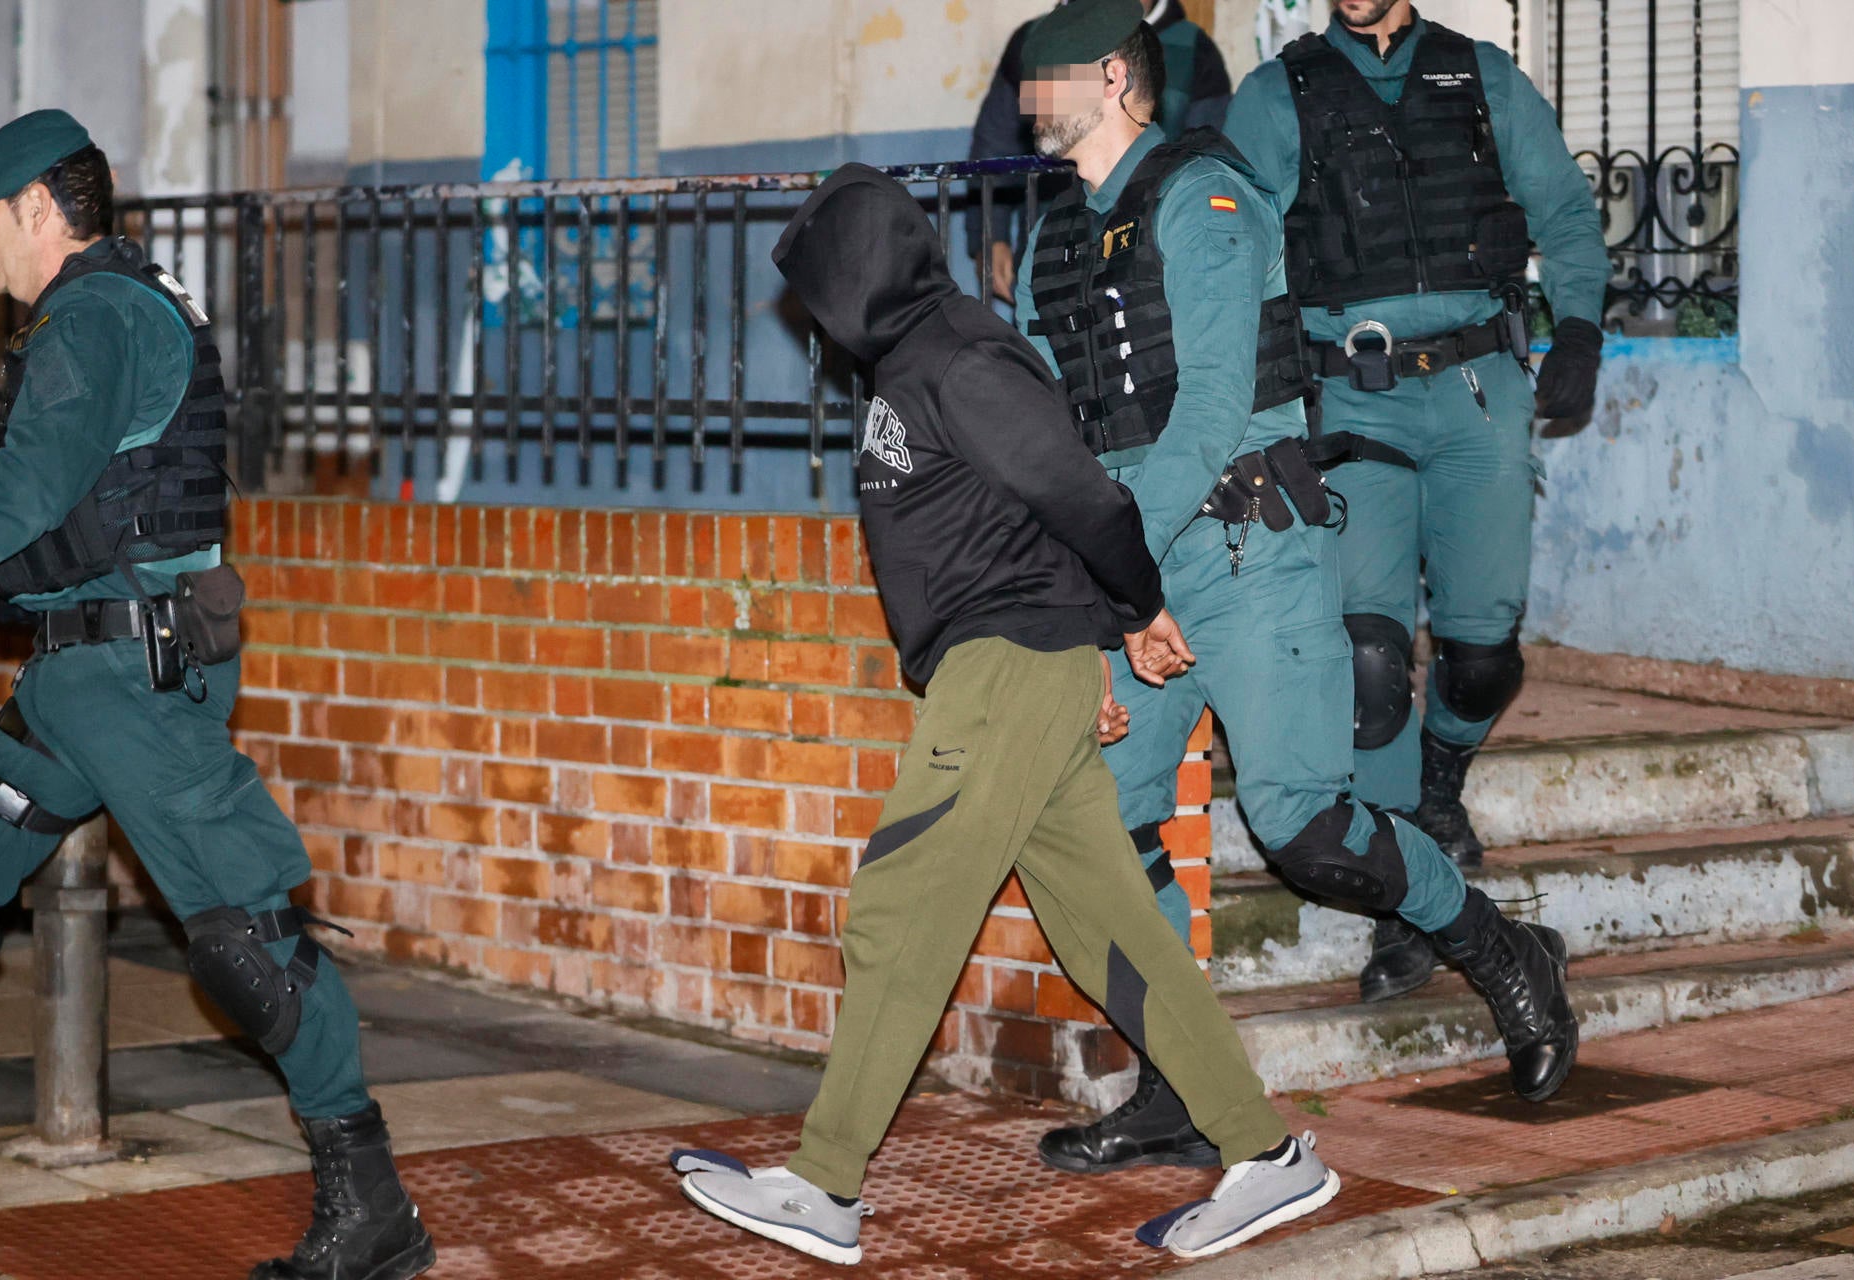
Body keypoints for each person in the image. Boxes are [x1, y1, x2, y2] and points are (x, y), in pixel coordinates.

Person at [669, 162, 1342, 1266]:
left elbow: (1077, 493)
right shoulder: (909, 362)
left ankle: (828, 1180)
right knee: (1115, 936)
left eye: (818, 286)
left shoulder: (960, 354)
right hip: (1020, 667)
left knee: (900, 901)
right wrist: (1092, 646)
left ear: (859, 272)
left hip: (1006, 668)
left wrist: (1126, 613)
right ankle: (1267, 1153)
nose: (812, 314)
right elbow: (1013, 517)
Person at [1011, 0, 1579, 1174]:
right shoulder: (1057, 235)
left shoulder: (1206, 197)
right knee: (1099, 827)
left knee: (1304, 826)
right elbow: (1045, 421)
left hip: (1239, 555)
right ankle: (1178, 1080)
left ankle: (1503, 949)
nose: (1027, 99)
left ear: (1114, 77)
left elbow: (1216, 407)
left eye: (1046, 77)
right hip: (1132, 571)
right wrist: (1087, 586)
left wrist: (1117, 567)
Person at [0, 110, 434, 1280]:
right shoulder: (145, 298)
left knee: (249, 937)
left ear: (36, 207)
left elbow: (13, 512)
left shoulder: (86, 322)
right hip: (92, 673)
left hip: (123, 680)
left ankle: (372, 1199)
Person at [1223, 0, 1611, 1002]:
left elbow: (1565, 210)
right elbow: (1227, 258)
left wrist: (1578, 331)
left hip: (1479, 387)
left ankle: (1443, 776)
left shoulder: (1481, 77)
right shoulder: (1275, 97)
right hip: (1349, 397)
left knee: (1482, 652)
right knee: (1371, 663)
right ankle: (1407, 899)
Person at [968, 0, 1232, 302]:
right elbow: (994, 144)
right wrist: (989, 236)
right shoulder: (1039, 39)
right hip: (1050, 242)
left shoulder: (1193, 46)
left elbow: (1208, 147)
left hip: (1148, 247)